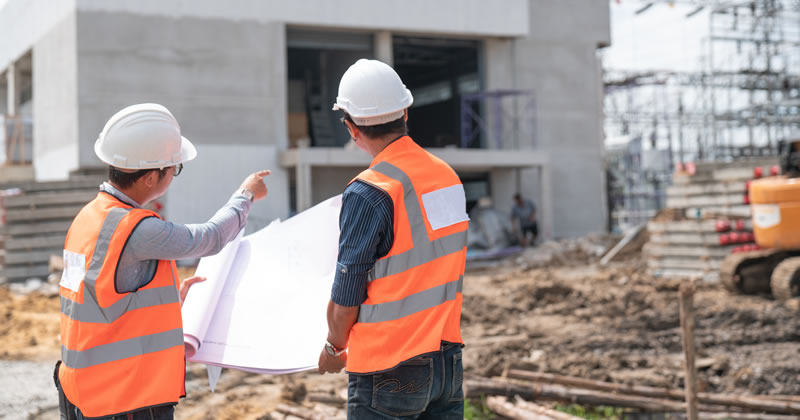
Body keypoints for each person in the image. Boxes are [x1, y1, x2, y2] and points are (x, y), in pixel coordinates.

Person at [54, 103, 270, 420]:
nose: (174, 175)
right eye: (174, 169)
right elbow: (209, 238)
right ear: (152, 177)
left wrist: (169, 297)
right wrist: (245, 195)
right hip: (125, 400)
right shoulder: (137, 228)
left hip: (81, 392)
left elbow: (100, 297)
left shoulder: (89, 217)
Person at [317, 59, 469, 419]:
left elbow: (347, 293)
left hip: (389, 366)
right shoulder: (447, 176)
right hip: (447, 361)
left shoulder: (369, 191)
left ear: (352, 129)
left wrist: (334, 348)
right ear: (404, 111)